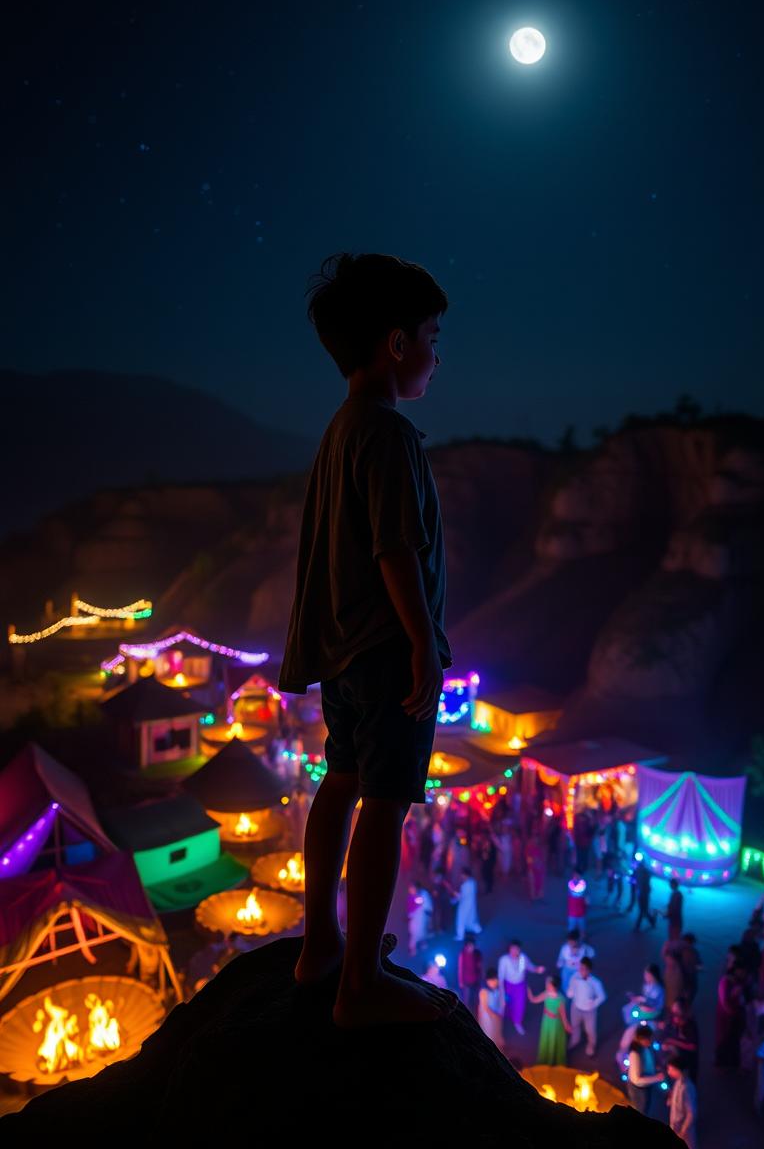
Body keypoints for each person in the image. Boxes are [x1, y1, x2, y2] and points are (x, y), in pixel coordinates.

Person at [280, 251, 457, 1028]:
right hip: (388, 654)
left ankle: (320, 943)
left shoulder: (339, 431)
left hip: (345, 654)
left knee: (342, 782)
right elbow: (396, 548)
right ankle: (358, 986)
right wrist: (422, 642)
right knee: (385, 803)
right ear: (395, 343)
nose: (436, 353)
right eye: (431, 335)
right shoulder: (390, 435)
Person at [498, 939, 545, 1037]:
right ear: (509, 949)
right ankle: (507, 1019)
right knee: (508, 1004)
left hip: (520, 986)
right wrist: (501, 991)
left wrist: (537, 969)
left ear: (519, 950)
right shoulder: (504, 960)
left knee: (520, 1005)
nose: (514, 951)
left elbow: (530, 967)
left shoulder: (523, 958)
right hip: (508, 986)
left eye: (517, 949)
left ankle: (517, 1023)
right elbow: (501, 977)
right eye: (512, 949)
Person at [567, 956, 607, 1058]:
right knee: (575, 1026)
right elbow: (570, 990)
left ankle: (591, 1045)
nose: (580, 970)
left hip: (589, 1011)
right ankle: (575, 1040)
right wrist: (570, 993)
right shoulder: (574, 977)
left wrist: (593, 1003)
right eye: (580, 968)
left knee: (590, 1030)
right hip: (575, 1007)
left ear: (589, 970)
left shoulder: (595, 982)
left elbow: (602, 996)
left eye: (583, 969)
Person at [528, 973, 571, 1065]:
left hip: (555, 1024)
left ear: (553, 985)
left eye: (548, 983)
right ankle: (544, 1062)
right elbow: (534, 1000)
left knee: (552, 1041)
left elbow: (563, 1015)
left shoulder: (560, 999)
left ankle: (551, 1063)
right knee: (546, 1040)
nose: (546, 984)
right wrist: (529, 992)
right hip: (546, 1021)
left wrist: (566, 1025)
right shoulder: (546, 994)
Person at [626, 1023, 665, 1116]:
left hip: (647, 1085)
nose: (651, 1042)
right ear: (641, 1039)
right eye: (649, 1039)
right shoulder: (635, 1054)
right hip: (639, 1090)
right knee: (641, 1111)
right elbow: (637, 1080)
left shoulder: (645, 1046)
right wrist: (657, 1078)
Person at [660, 997, 699, 1084]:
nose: (674, 1015)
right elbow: (665, 1035)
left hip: (686, 1061)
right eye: (673, 1011)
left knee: (685, 1085)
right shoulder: (672, 1019)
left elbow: (692, 1046)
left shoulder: (690, 1025)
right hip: (673, 1060)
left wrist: (672, 1042)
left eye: (677, 1012)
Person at [714, 963, 746, 1066]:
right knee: (724, 1039)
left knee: (733, 1040)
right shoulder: (725, 982)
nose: (743, 974)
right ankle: (722, 1064)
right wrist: (732, 1011)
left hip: (734, 1016)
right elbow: (724, 1001)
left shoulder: (739, 982)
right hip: (726, 1016)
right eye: (741, 971)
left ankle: (731, 1064)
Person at [666, 1052, 698, 1148]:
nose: (668, 1072)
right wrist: (671, 1100)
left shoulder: (687, 1088)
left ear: (678, 1070)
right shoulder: (678, 1082)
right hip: (676, 1125)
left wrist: (683, 1131)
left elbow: (691, 1113)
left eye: (670, 1069)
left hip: (683, 1128)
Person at [556, 929, 596, 995]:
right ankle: (568, 995)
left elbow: (592, 954)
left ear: (577, 941)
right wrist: (560, 963)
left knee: (580, 983)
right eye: (569, 942)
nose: (570, 944)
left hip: (579, 969)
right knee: (565, 984)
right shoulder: (564, 948)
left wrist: (585, 963)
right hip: (567, 969)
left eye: (572, 942)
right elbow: (560, 959)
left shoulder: (584, 948)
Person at [478, 968, 505, 1050]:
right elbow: (485, 1007)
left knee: (495, 1033)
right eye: (493, 980)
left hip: (495, 1015)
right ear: (487, 981)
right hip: (487, 1018)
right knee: (488, 1034)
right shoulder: (484, 991)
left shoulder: (497, 990)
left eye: (496, 980)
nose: (495, 982)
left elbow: (499, 1002)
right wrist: (495, 1015)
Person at [452, 866, 482, 940]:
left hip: (464, 905)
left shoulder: (465, 885)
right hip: (471, 904)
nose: (461, 876)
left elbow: (461, 896)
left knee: (461, 919)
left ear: (466, 875)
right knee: (471, 918)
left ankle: (460, 936)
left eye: (462, 875)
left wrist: (455, 897)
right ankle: (477, 929)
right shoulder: (473, 882)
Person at [456, 935, 484, 1012]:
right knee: (466, 1000)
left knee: (476, 1000)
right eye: (468, 946)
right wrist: (461, 981)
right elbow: (460, 968)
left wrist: (480, 980)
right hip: (466, 981)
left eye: (472, 946)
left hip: (476, 980)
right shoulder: (462, 954)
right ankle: (466, 1015)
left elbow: (480, 967)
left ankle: (476, 1015)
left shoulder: (477, 954)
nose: (470, 948)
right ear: (465, 946)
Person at [407, 881, 432, 955]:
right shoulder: (411, 897)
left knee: (423, 930)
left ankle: (422, 942)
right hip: (415, 918)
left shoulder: (424, 894)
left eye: (412, 888)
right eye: (410, 888)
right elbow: (410, 908)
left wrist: (428, 913)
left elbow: (428, 905)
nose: (410, 889)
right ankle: (412, 947)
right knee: (414, 932)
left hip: (422, 916)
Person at [633, 858, 656, 931]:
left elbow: (648, 878)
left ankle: (637, 926)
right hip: (642, 893)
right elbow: (636, 880)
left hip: (644, 893)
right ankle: (652, 921)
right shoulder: (639, 871)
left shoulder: (644, 872)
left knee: (642, 910)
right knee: (643, 910)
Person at [679, 932, 703, 1002]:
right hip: (690, 981)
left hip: (683, 981)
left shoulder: (679, 952)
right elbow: (700, 967)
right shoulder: (695, 953)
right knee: (688, 999)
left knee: (682, 1000)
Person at [567, 870, 588, 939]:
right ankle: (572, 939)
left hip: (580, 911)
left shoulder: (582, 884)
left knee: (582, 928)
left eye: (577, 875)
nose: (575, 877)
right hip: (572, 911)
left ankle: (582, 938)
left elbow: (586, 898)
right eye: (574, 875)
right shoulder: (571, 884)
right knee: (572, 927)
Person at [526, 834, 546, 902]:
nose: (535, 841)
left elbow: (542, 858)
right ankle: (533, 897)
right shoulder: (529, 849)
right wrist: (532, 865)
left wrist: (540, 864)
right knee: (533, 883)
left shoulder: (539, 849)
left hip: (540, 868)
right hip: (532, 868)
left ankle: (539, 896)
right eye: (534, 839)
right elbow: (528, 859)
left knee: (539, 882)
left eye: (537, 840)